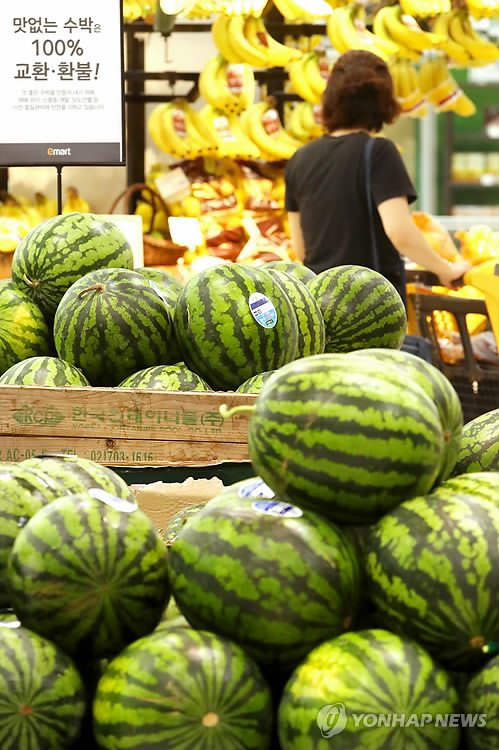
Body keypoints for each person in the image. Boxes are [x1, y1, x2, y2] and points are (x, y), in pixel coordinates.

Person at [284, 49, 471, 305]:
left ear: (330, 99)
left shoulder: (299, 159)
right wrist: (445, 269)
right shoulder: (379, 152)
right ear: (384, 102)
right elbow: (399, 231)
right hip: (370, 304)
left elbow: (301, 249)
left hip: (319, 303)